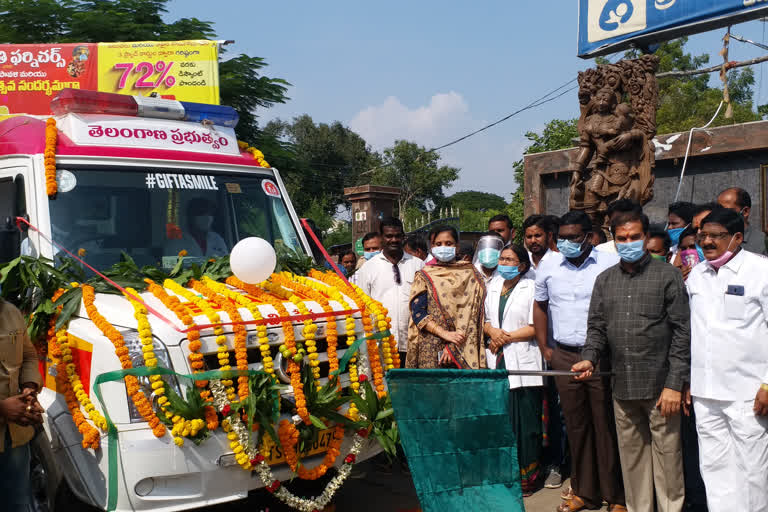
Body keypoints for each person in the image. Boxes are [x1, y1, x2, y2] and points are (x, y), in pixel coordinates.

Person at [572, 210, 690, 512]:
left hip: (661, 389)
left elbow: (682, 333)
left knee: (668, 462)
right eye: (622, 238)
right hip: (622, 386)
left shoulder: (668, 276)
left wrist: (675, 384)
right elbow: (596, 329)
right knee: (632, 461)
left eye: (635, 237)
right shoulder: (605, 280)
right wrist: (589, 358)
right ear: (614, 239)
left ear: (647, 237)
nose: (629, 243)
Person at [533, 210, 625, 512]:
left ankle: (614, 496)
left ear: (589, 236)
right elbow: (541, 305)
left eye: (574, 237)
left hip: (599, 354)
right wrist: (546, 348)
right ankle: (585, 492)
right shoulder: (549, 265)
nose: (568, 242)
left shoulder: (609, 262)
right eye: (563, 238)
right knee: (576, 424)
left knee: (604, 424)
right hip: (564, 353)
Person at [685, 207, 768, 512]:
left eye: (715, 236)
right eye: (702, 235)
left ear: (737, 238)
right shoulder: (696, 274)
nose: (706, 242)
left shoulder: (761, 271)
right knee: (715, 467)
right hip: (706, 392)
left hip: (747, 392)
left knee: (753, 471)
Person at [483, 244, 543, 496]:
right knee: (501, 417)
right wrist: (493, 333)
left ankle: (527, 477)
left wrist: (504, 337)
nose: (504, 263)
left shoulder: (532, 287)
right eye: (502, 258)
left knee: (525, 420)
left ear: (521, 265)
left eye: (510, 259)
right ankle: (502, 473)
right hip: (497, 357)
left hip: (523, 358)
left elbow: (535, 326)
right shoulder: (491, 285)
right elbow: (484, 320)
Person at [406, 225, 486, 369]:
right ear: (432, 247)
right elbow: (418, 312)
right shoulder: (424, 275)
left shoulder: (471, 274)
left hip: (464, 344)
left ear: (457, 247)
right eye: (438, 244)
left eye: (448, 244)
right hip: (432, 344)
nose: (443, 247)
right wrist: (444, 334)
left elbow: (474, 314)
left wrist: (453, 344)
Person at [355, 217, 424, 365]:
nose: (394, 240)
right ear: (381, 238)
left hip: (413, 343)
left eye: (398, 236)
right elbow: (362, 308)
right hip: (382, 344)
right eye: (389, 236)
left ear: (403, 237)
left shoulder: (418, 265)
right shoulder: (368, 268)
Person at [0, 298, 44, 510]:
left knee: (17, 503)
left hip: (14, 436)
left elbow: (28, 356)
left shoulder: (11, 312)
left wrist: (29, 387)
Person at [164, 197, 228, 258]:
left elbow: (226, 264)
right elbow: (170, 267)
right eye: (201, 213)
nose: (207, 218)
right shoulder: (176, 242)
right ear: (191, 217)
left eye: (210, 214)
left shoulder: (217, 239)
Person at [717, 187, 764, 254]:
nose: (720, 215)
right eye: (718, 210)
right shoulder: (713, 238)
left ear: (745, 212)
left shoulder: (762, 242)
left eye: (726, 211)